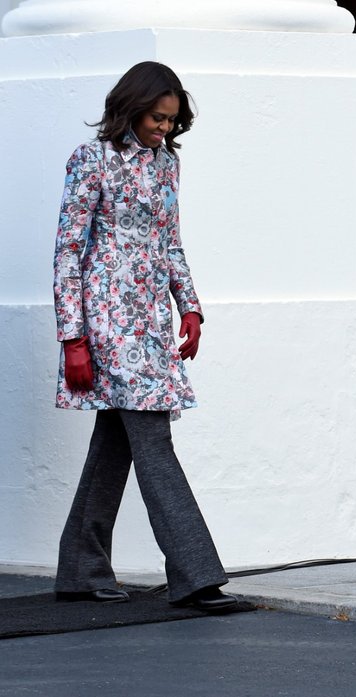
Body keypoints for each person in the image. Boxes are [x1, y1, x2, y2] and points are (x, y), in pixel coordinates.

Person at [51, 62, 237, 612]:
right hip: (106, 324)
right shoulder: (90, 161)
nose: (165, 129)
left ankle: (81, 570)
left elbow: (170, 243)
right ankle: (195, 574)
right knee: (152, 438)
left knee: (116, 440)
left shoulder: (165, 165)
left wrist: (191, 307)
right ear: (131, 106)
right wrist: (73, 337)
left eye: (173, 122)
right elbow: (67, 252)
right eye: (159, 118)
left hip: (150, 321)